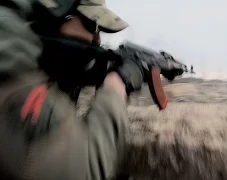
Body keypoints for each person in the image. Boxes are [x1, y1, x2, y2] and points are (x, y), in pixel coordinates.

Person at [0, 0, 145, 179]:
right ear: (55, 13)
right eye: (92, 25)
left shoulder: (14, 57)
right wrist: (116, 87)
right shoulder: (13, 74)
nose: (97, 39)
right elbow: (83, 171)